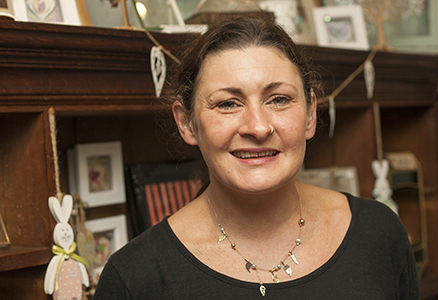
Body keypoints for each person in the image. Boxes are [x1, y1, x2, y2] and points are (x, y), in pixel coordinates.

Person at [94, 16, 419, 299]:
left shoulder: (379, 233)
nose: (258, 127)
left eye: (278, 99)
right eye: (228, 103)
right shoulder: (135, 277)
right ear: (187, 123)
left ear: (310, 115)